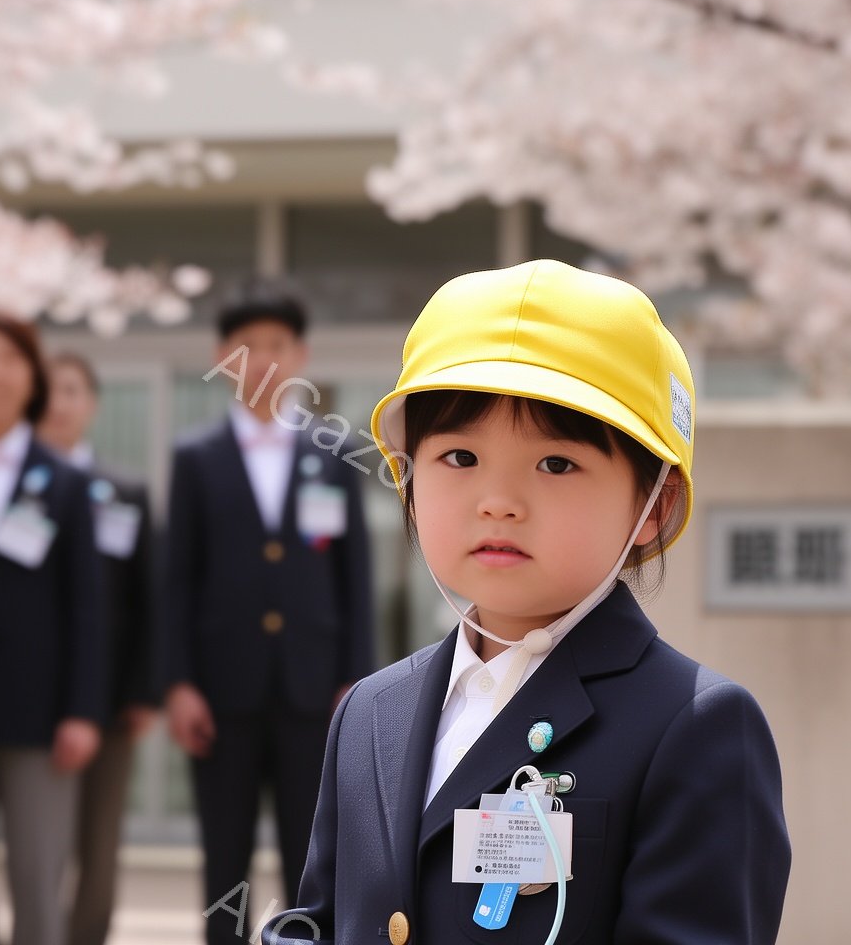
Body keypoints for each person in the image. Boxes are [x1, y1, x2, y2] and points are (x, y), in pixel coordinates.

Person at [264, 259, 791, 945]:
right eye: (459, 457)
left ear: (655, 507)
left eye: (556, 463)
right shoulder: (370, 710)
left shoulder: (696, 726)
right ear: (407, 477)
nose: (498, 502)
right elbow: (319, 922)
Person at [161, 283, 375, 945]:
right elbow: (176, 580)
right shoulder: (195, 458)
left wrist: (356, 682)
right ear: (223, 356)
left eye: (278, 345)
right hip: (221, 693)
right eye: (247, 347)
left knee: (312, 857)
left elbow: (355, 578)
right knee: (223, 857)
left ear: (302, 355)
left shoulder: (332, 456)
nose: (263, 361)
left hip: (315, 692)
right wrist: (178, 683)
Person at [0, 308, 106, 945]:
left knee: (37, 882)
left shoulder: (65, 480)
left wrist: (83, 711)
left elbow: (88, 605)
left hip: (41, 716)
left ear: (32, 375)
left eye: (8, 359)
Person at [37, 352, 161, 945]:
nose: (58, 404)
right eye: (48, 391)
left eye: (71, 391)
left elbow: (147, 599)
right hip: (26, 695)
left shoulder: (124, 492)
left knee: (98, 836)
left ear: (91, 404)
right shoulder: (18, 487)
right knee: (35, 839)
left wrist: (144, 693)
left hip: (109, 699)